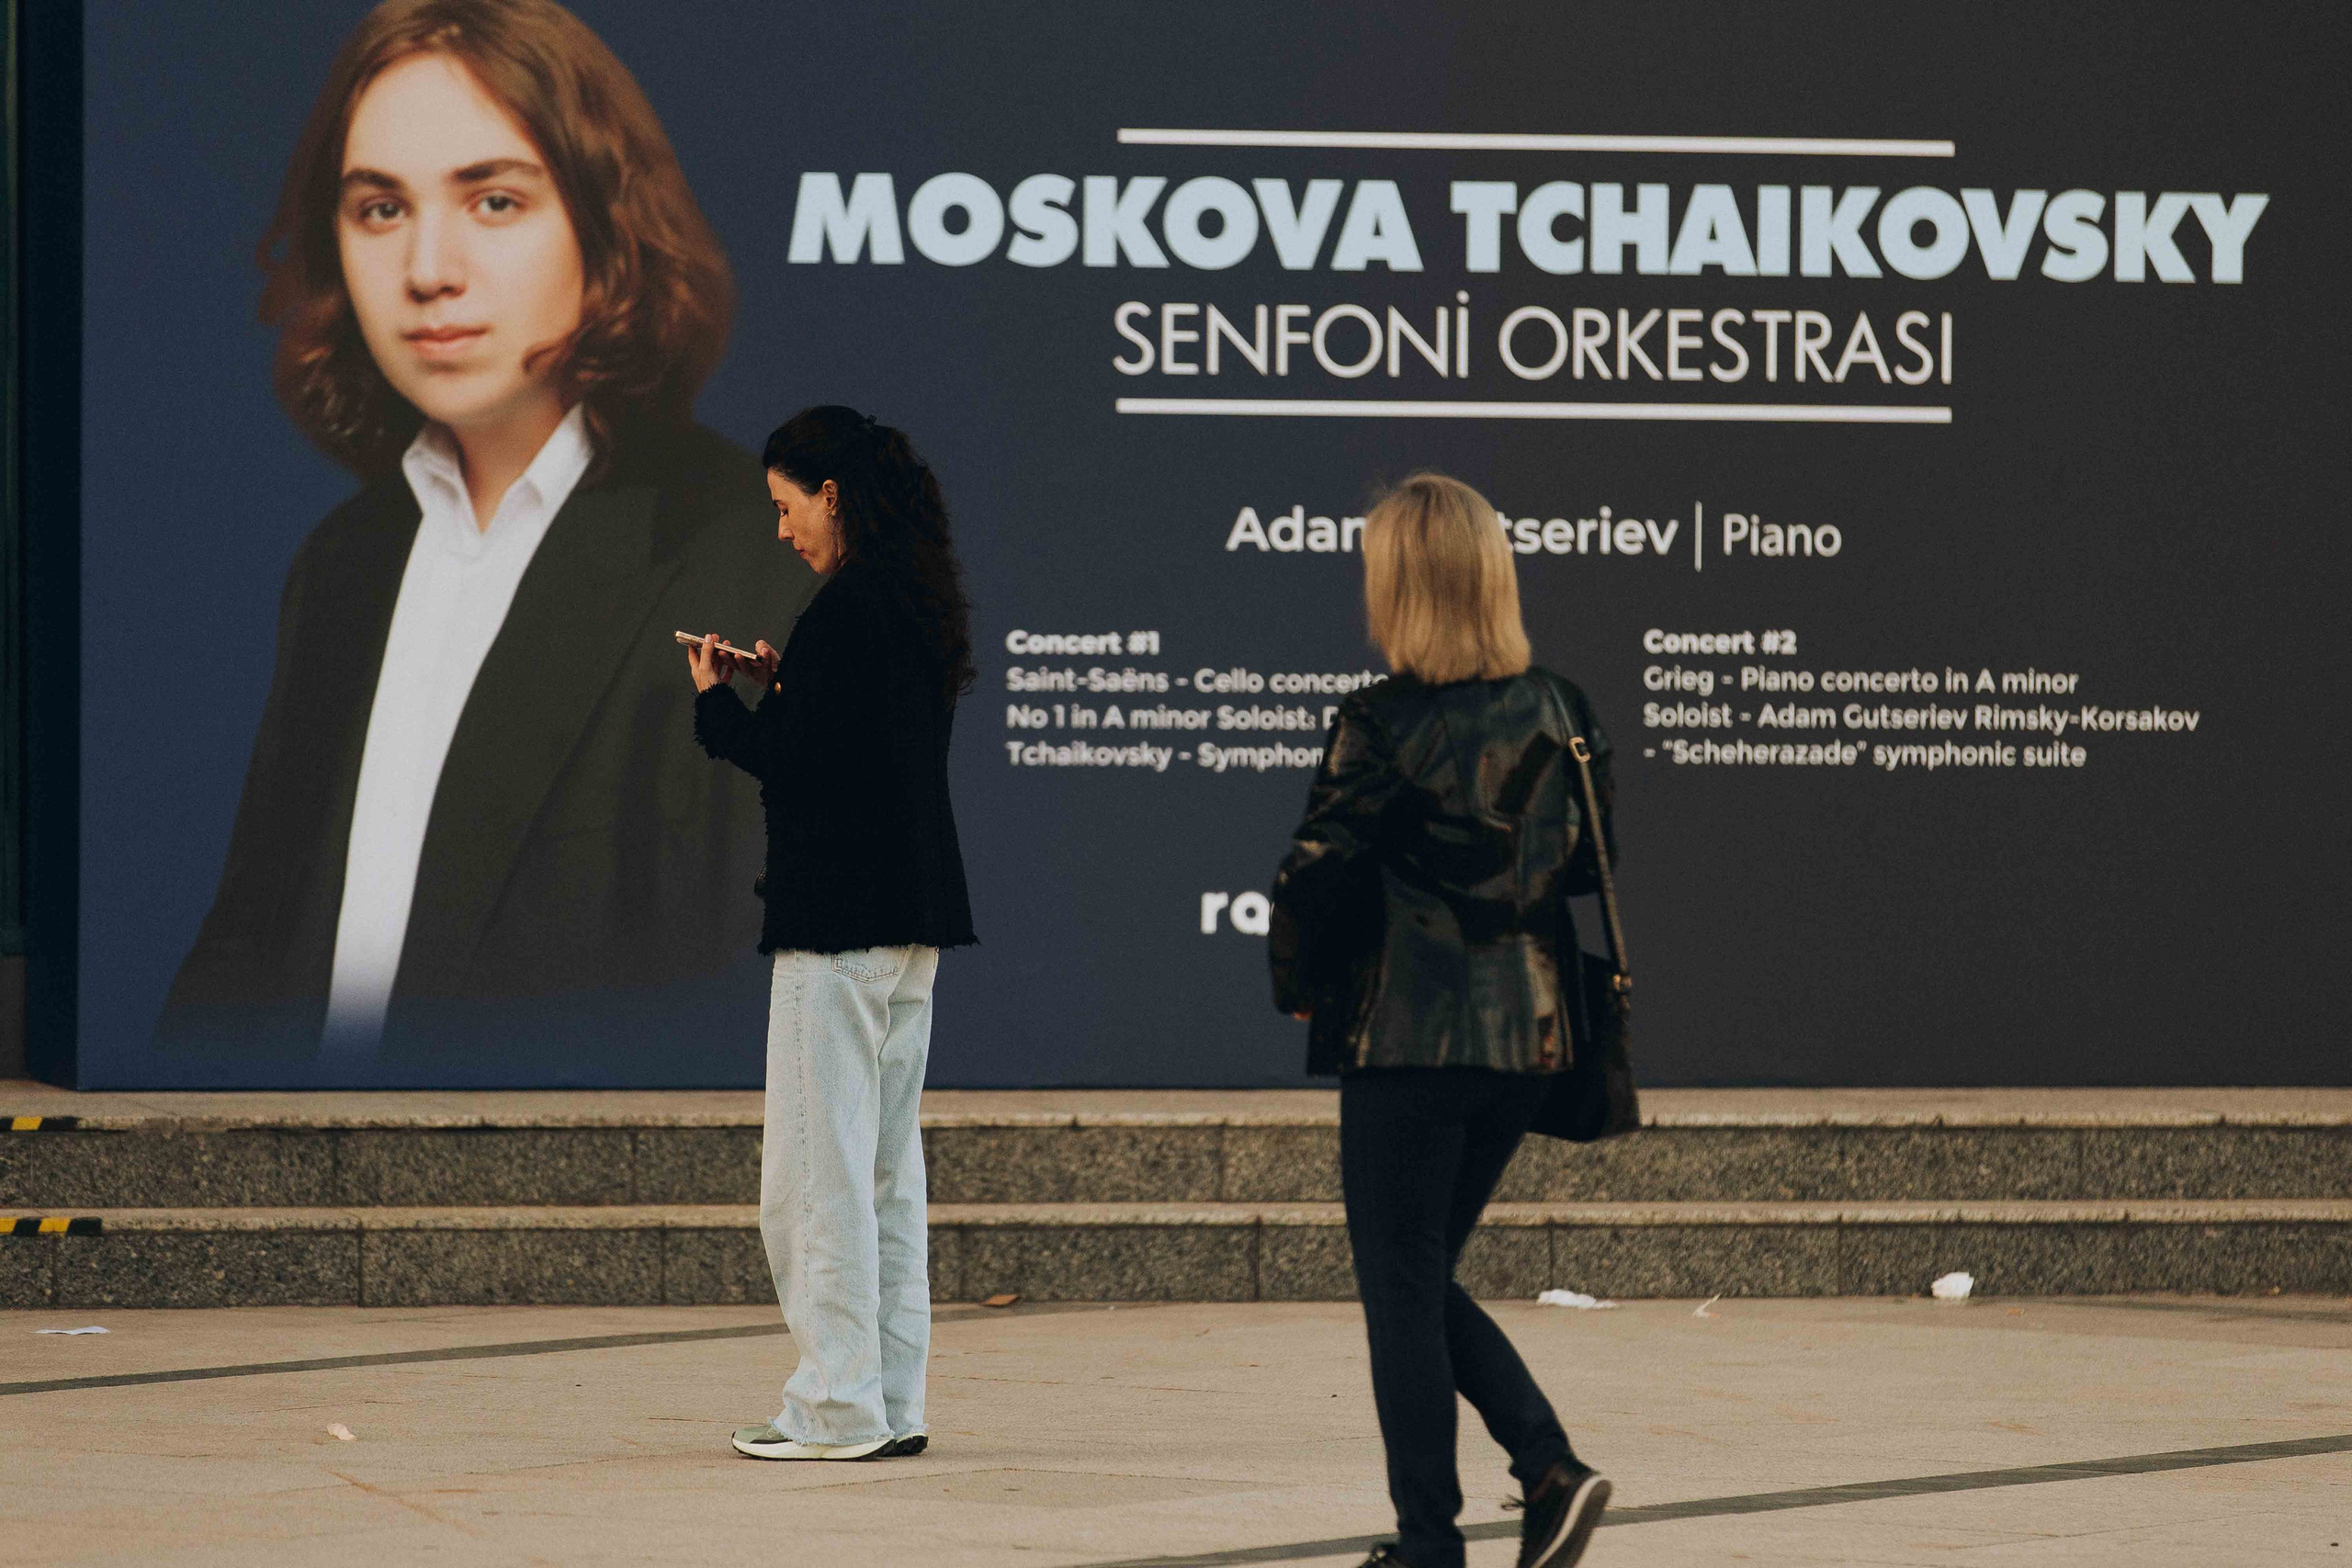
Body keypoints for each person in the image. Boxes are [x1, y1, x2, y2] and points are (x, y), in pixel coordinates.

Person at [157, 0, 815, 1076]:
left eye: (494, 199)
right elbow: (249, 957)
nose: (428, 268)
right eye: (379, 209)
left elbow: (754, 1006)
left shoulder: (745, 552)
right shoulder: (347, 563)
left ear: (606, 227)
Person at [1268, 472, 1617, 1568]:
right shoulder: (1565, 710)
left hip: (1409, 1039)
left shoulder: (1378, 723)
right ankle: (1543, 1473)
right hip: (1528, 1037)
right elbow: (1585, 867)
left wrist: (1297, 982)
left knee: (1400, 1285)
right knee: (1413, 1275)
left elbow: (1314, 878)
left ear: (1402, 587)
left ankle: (1444, 1536)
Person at [686, 405, 977, 1461]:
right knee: (884, 1174)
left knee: (814, 1179)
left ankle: (833, 1408)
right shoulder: (911, 600)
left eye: (785, 505)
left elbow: (800, 767)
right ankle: (888, 1402)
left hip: (838, 923)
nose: (780, 529)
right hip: (909, 922)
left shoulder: (847, 608)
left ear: (832, 493)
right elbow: (854, 743)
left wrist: (720, 706)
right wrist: (788, 685)